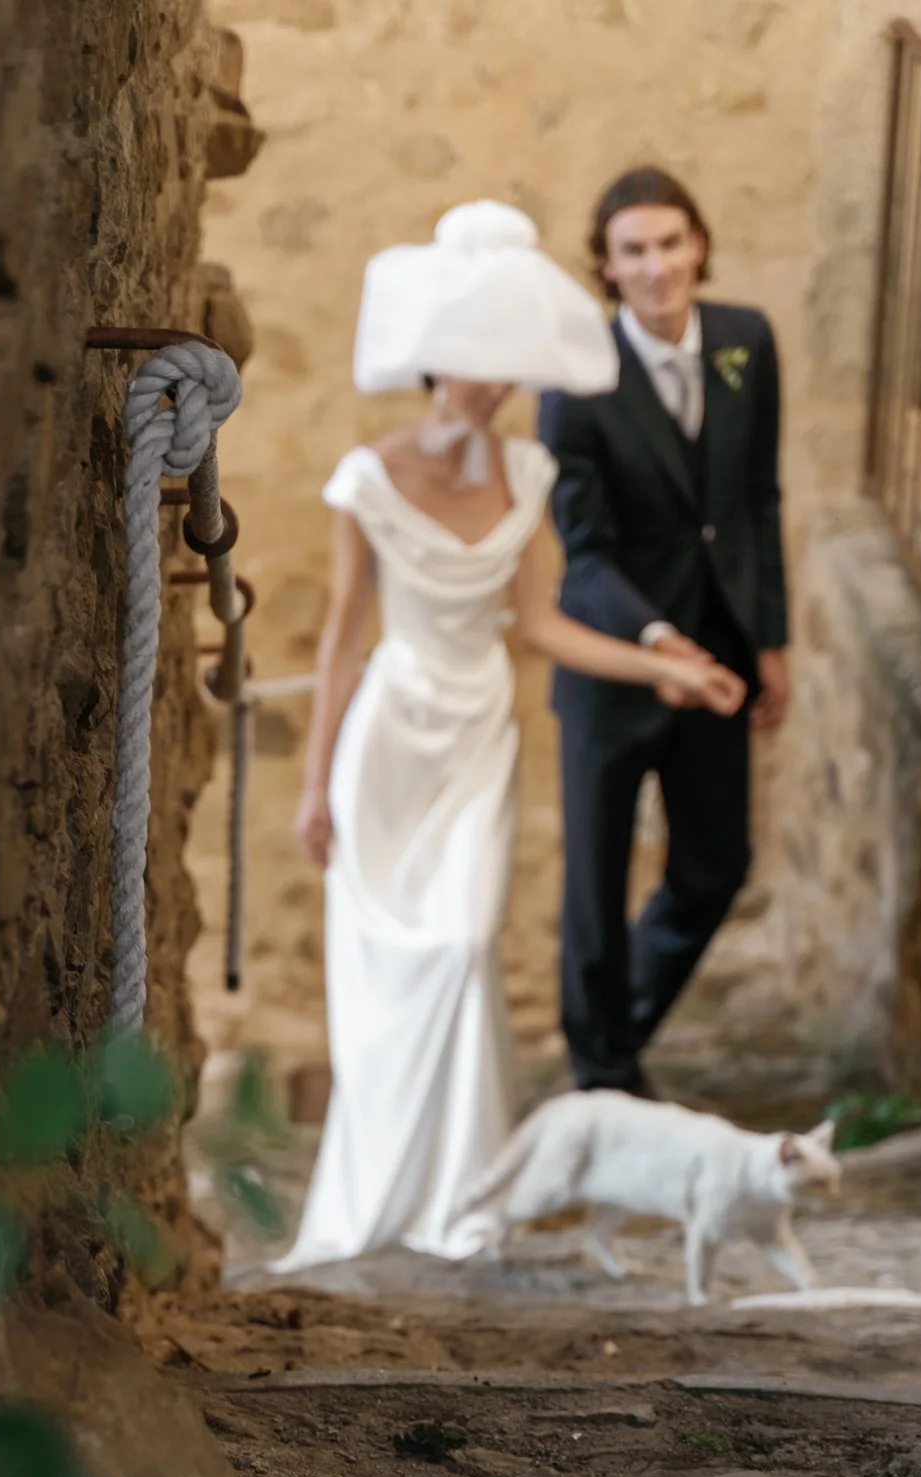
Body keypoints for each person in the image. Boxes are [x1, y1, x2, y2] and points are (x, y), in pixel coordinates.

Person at [272, 202, 744, 1275]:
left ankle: (465, 1193)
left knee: (466, 943)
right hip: (393, 734)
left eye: (505, 367)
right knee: (397, 965)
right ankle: (387, 1187)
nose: (491, 385)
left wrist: (666, 663)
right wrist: (311, 789)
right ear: (437, 360)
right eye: (474, 364)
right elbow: (342, 642)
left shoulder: (528, 475)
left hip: (481, 730)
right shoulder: (366, 478)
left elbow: (542, 626)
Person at [538, 166, 790, 1098]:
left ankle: (614, 1039)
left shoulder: (745, 342)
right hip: (613, 661)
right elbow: (585, 551)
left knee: (716, 864)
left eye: (671, 243)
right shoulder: (576, 383)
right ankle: (605, 1078)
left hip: (723, 645)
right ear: (605, 266)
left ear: (699, 245)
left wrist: (769, 639)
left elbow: (758, 501)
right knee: (597, 887)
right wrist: (653, 641)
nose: (657, 267)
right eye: (634, 250)